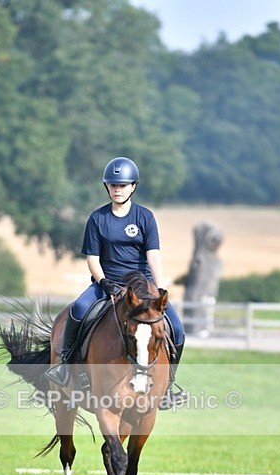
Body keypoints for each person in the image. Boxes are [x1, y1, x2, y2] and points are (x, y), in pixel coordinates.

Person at [46, 156, 186, 406]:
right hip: (107, 284)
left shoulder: (145, 217)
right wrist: (103, 282)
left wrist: (160, 288)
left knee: (177, 328)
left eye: (122, 185)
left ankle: (168, 385)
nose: (117, 189)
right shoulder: (97, 218)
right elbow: (92, 258)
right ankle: (65, 366)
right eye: (112, 185)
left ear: (133, 186)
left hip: (143, 287)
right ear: (107, 187)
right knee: (78, 310)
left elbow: (153, 255)